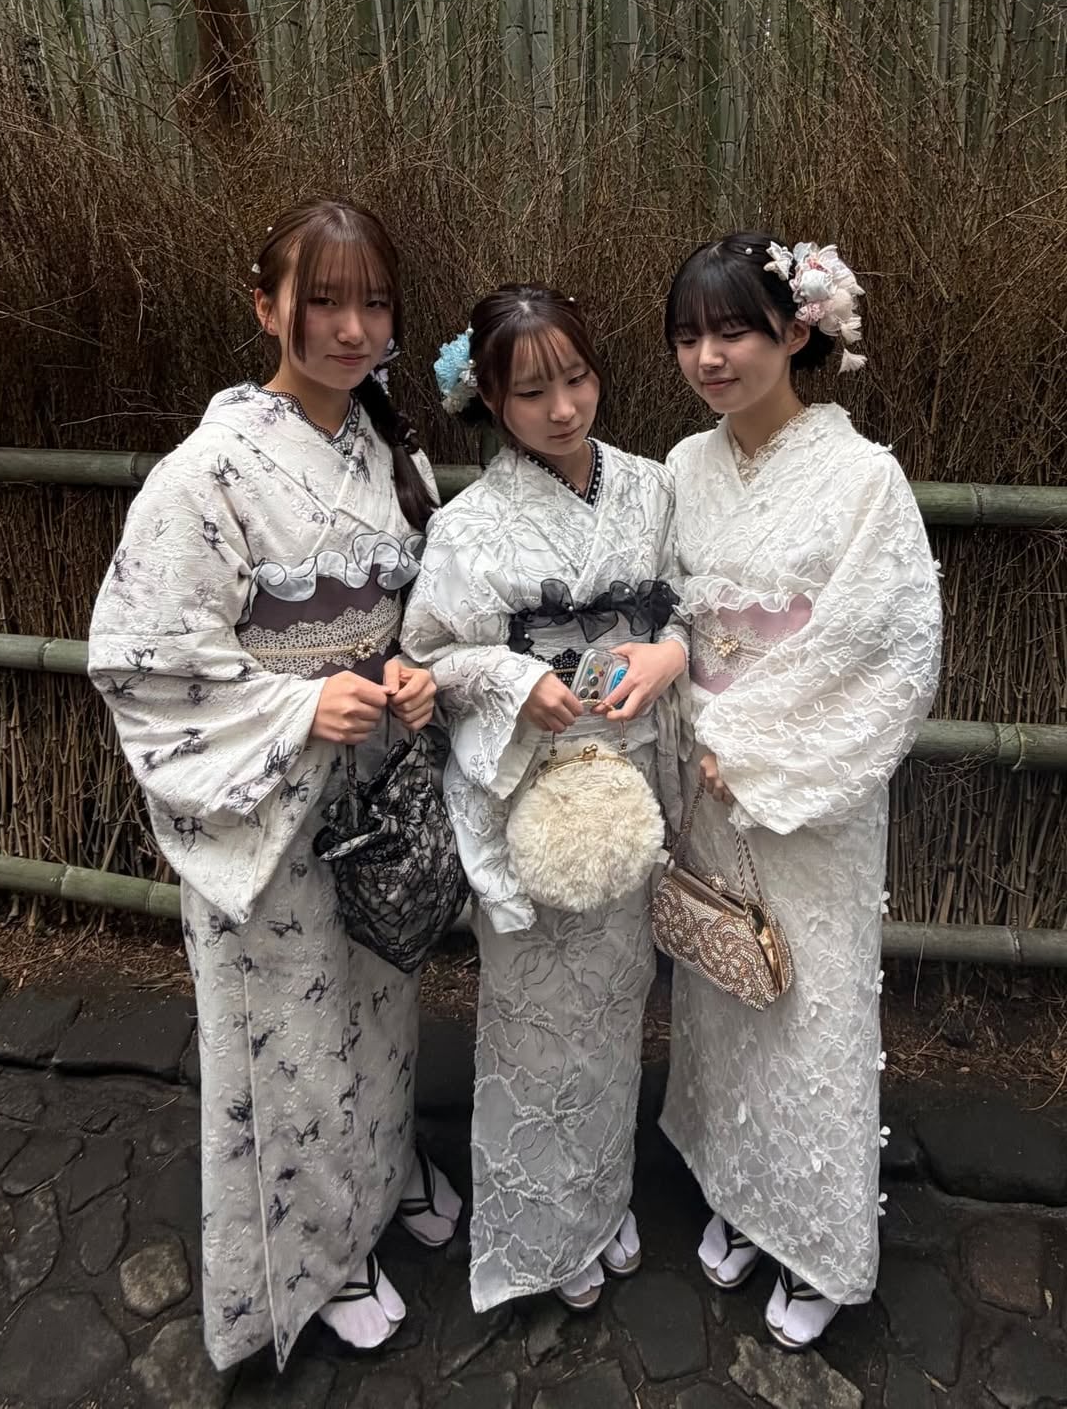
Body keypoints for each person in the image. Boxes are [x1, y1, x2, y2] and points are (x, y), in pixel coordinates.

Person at [87, 198, 461, 1371]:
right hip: (267, 798)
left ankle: (383, 1162)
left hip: (373, 791)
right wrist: (302, 703)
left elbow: (424, 606)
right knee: (290, 1034)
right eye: (326, 301)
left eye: (375, 303)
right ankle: (315, 1251)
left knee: (380, 1006)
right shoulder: (204, 475)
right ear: (268, 307)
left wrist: (409, 672)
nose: (354, 328)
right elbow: (146, 661)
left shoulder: (389, 448)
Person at [660, 232, 941, 1351]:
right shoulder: (683, 468)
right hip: (705, 776)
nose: (710, 355)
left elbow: (887, 643)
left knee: (811, 1003)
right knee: (725, 978)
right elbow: (669, 620)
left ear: (797, 328)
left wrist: (751, 735)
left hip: (804, 777)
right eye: (689, 334)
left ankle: (819, 1235)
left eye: (734, 329)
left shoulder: (864, 477)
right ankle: (736, 1185)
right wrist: (697, 731)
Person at [400, 286, 687, 1314]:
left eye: (576, 378)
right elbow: (429, 656)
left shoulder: (652, 489)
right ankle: (543, 1224)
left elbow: (692, 606)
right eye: (532, 389)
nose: (563, 407)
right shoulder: (470, 525)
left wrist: (665, 650)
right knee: (532, 1019)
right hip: (529, 785)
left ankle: (604, 1197)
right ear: (488, 398)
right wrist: (519, 682)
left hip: (629, 785)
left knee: (617, 1007)